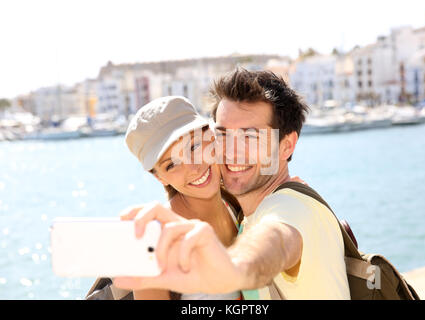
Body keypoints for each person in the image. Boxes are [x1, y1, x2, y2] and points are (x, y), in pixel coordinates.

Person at [114, 68, 351, 299]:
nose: (233, 153)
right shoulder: (244, 206)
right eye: (224, 134)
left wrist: (233, 269)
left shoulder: (289, 208)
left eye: (250, 136)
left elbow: (276, 241)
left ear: (286, 146)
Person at [87, 96, 243, 300]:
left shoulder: (238, 201)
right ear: (159, 177)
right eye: (172, 164)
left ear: (211, 136)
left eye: (194, 147)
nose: (193, 168)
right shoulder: (153, 245)